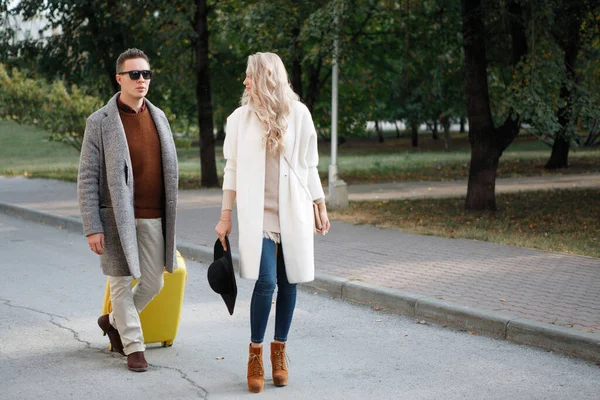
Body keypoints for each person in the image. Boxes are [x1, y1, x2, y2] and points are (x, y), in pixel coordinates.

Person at [215, 52, 331, 393]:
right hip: (258, 215)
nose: (245, 82)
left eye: (250, 76)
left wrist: (319, 204)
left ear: (266, 78)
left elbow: (309, 164)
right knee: (266, 281)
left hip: (293, 210)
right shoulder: (238, 119)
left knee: (289, 280)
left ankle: (279, 351)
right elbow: (231, 169)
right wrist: (225, 216)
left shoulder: (299, 114)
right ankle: (255, 353)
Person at [77, 48, 178, 372]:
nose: (141, 80)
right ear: (119, 78)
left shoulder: (159, 117)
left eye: (146, 74)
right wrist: (93, 225)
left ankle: (113, 322)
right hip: (115, 218)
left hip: (153, 215)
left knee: (154, 282)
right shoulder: (100, 121)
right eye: (134, 74)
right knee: (120, 283)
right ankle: (133, 346)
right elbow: (87, 177)